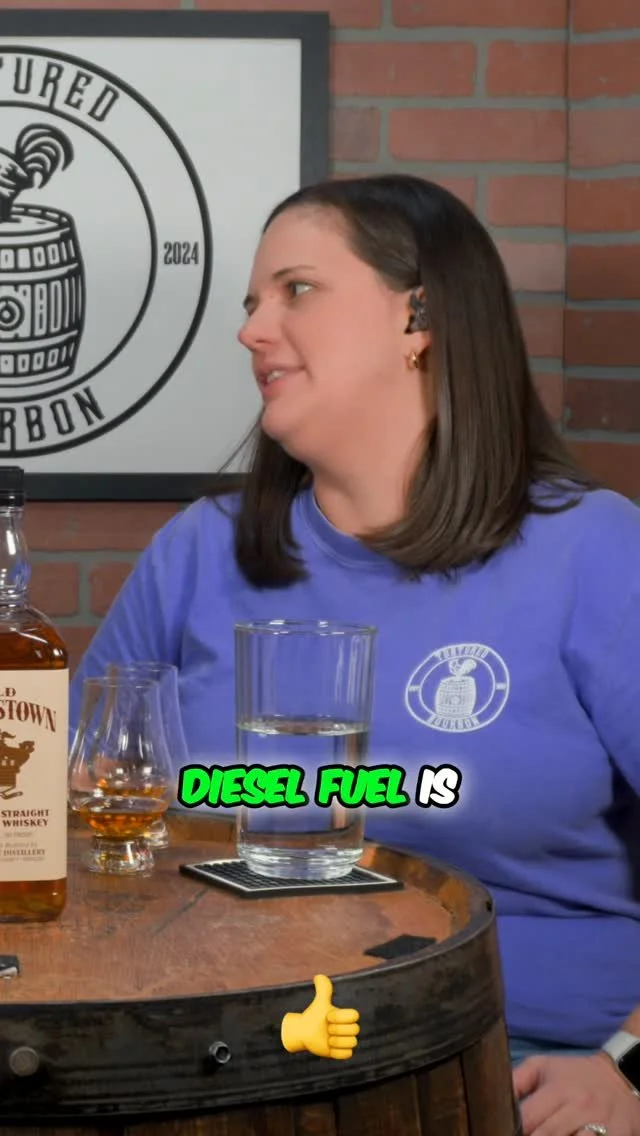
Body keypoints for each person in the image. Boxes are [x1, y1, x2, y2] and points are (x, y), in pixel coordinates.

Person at [70, 174, 640, 1134]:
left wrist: (627, 1068)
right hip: (219, 1072)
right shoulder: (197, 553)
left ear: (420, 317)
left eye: (295, 290)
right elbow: (68, 811)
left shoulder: (593, 549)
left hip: (518, 1072)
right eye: (251, 302)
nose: (251, 330)